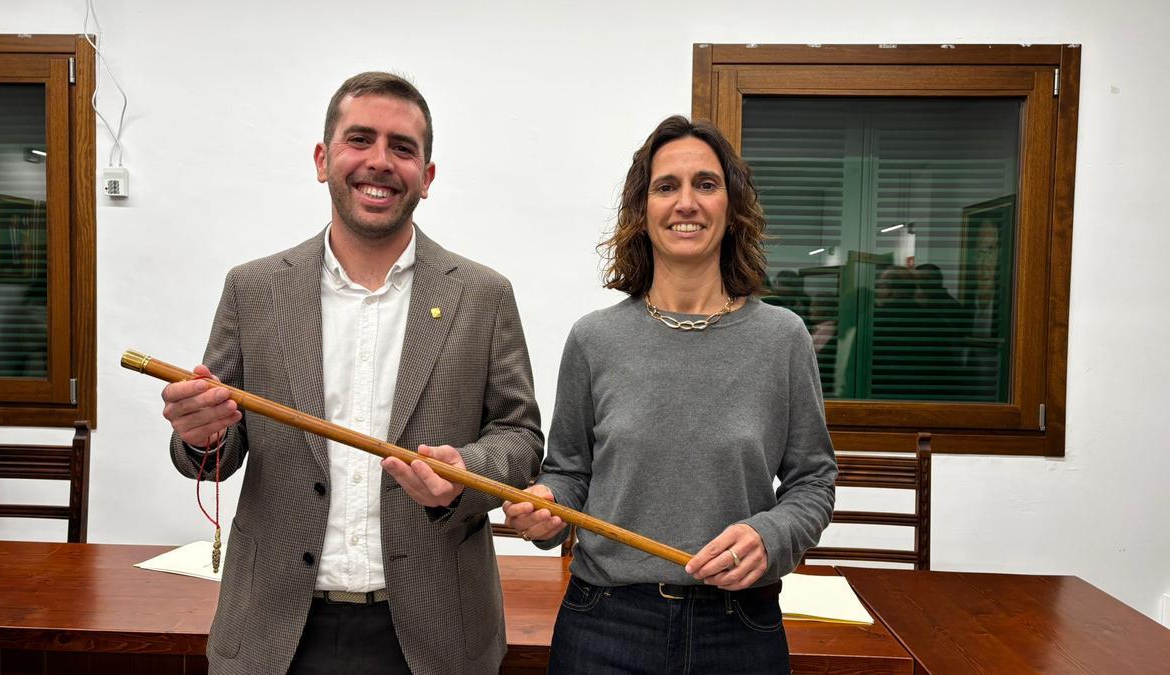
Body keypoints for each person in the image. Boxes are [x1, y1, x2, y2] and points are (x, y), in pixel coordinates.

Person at [160, 72, 543, 675]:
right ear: (323, 159)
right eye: (359, 140)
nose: (379, 162)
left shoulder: (482, 295)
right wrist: (199, 432)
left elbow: (521, 438)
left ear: (428, 176)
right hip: (275, 630)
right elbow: (219, 449)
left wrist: (467, 473)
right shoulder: (253, 290)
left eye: (403, 148)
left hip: (435, 632)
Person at [503, 115, 837, 673]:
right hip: (605, 623)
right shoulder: (594, 338)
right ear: (643, 211)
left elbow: (813, 481)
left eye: (705, 184)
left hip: (740, 627)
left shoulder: (783, 338)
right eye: (667, 187)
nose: (687, 202)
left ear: (732, 210)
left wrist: (772, 535)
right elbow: (568, 473)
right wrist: (549, 506)